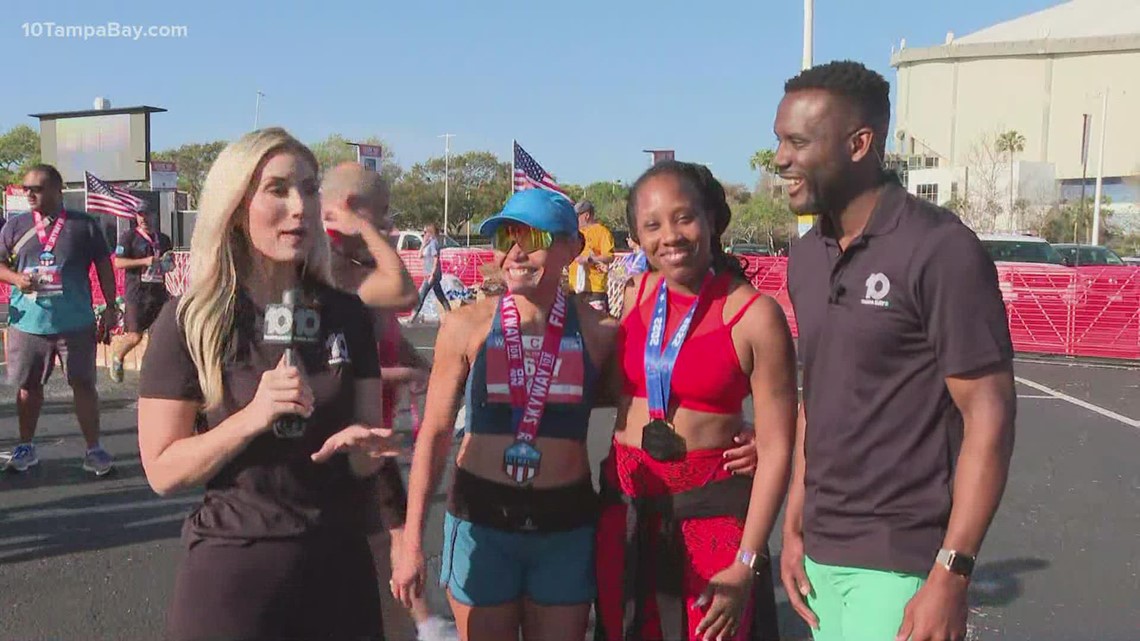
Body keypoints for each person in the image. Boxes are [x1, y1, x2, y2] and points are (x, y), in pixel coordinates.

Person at [776, 61, 1017, 641]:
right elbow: (817, 400)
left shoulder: (940, 249)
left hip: (900, 560)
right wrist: (794, 525)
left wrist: (952, 572)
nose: (780, 159)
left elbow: (989, 414)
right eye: (778, 141)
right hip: (820, 557)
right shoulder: (807, 256)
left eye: (798, 142)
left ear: (861, 144)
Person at [136, 127, 402, 641]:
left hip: (337, 568)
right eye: (277, 189)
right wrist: (251, 418)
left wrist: (371, 446)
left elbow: (366, 459)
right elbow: (163, 471)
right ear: (236, 206)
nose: (300, 207)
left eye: (307, 187)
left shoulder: (347, 315)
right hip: (235, 572)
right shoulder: (190, 320)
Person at [594, 160, 797, 641]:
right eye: (652, 225)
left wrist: (747, 561)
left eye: (684, 217)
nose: (671, 235)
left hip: (711, 519)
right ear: (637, 237)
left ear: (711, 219)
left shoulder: (754, 315)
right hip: (624, 512)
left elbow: (779, 448)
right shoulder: (635, 291)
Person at [321, 161, 460, 641]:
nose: (389, 226)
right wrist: (361, 227)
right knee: (391, 535)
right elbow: (401, 292)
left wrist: (415, 365)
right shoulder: (327, 264)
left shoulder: (356, 264)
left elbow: (388, 330)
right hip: (339, 433)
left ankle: (419, 623)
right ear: (351, 211)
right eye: (380, 215)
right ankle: (427, 625)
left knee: (393, 534)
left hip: (371, 431)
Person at [0, 163, 120, 475]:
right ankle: (25, 446)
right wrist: (15, 278)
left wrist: (110, 306)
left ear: (57, 189)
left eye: (37, 188)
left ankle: (94, 449)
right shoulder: (15, 226)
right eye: (26, 188)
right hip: (29, 323)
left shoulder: (84, 225)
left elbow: (104, 267)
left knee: (83, 384)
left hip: (75, 323)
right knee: (28, 387)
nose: (29, 193)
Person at [108, 207, 174, 383]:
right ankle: (118, 355)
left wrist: (167, 264)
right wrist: (143, 261)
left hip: (158, 293)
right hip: (137, 294)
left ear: (154, 215)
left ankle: (152, 372)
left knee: (159, 334)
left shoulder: (164, 239)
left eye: (147, 215)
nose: (143, 219)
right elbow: (118, 262)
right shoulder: (129, 237)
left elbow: (170, 263)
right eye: (140, 216)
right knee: (135, 336)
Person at [568, 199, 615, 313]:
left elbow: (609, 256)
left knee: (596, 326)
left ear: (587, 215)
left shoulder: (602, 232)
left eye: (577, 216)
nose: (575, 220)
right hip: (575, 288)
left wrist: (590, 259)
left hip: (594, 289)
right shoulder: (574, 233)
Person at [410, 223, 449, 322]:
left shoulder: (433, 243)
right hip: (427, 273)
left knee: (421, 294)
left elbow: (436, 259)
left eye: (425, 232)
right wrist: (423, 244)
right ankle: (449, 313)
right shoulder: (427, 243)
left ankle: (412, 316)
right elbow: (420, 256)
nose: (424, 234)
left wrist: (432, 274)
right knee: (440, 295)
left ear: (430, 232)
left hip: (432, 274)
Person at [605, 236, 649, 319]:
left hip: (642, 295)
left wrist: (622, 276)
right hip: (629, 296)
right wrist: (608, 270)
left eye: (629, 237)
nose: (627, 239)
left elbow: (634, 277)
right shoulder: (629, 257)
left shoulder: (644, 257)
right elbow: (620, 275)